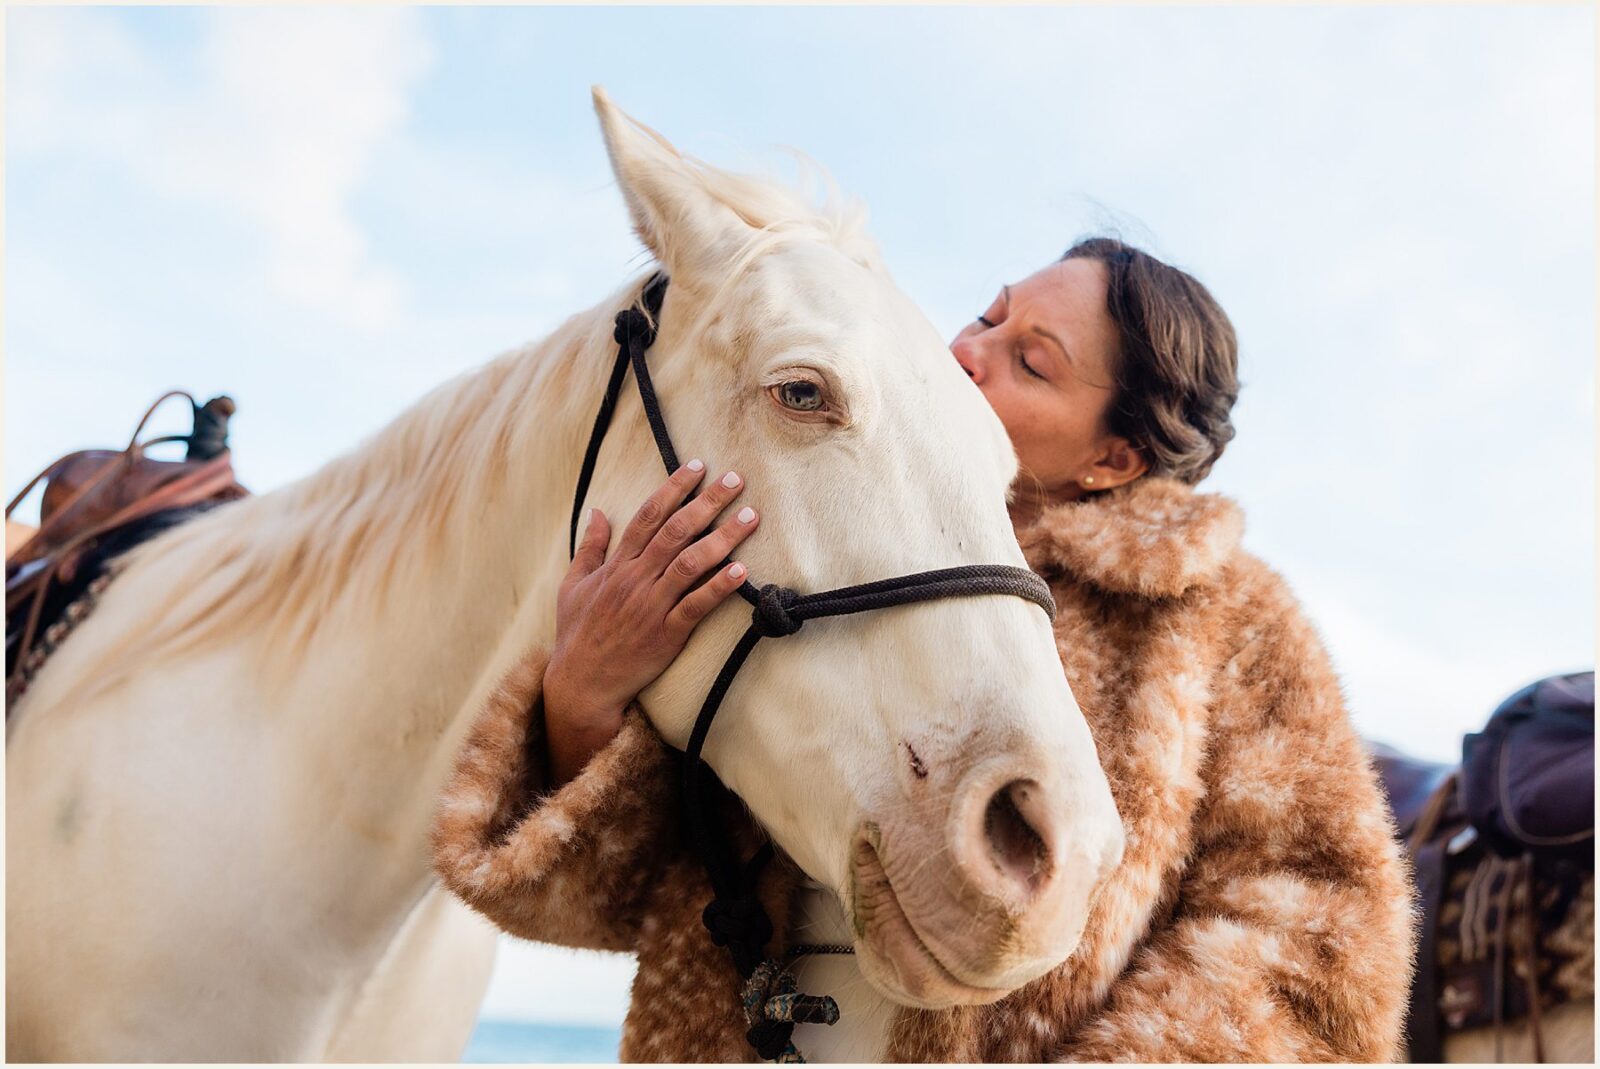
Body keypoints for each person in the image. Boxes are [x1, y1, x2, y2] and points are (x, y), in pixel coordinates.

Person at [431, 238, 1415, 1061]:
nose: (966, 349)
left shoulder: (1222, 612)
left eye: (1032, 361)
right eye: (987, 317)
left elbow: (1322, 933)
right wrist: (583, 695)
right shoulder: (819, 525)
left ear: (1114, 457)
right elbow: (616, 895)